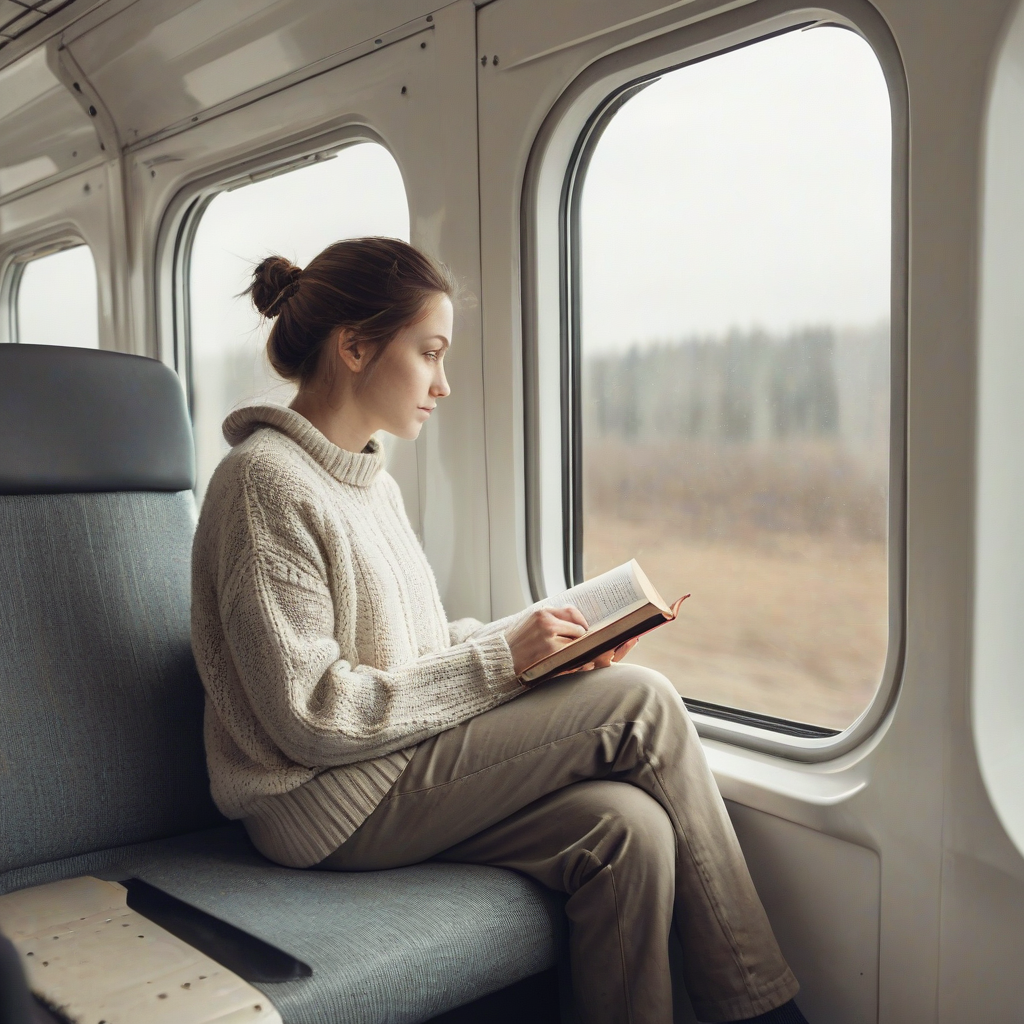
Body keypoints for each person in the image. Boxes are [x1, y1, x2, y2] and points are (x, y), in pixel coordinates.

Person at [190, 237, 807, 1024]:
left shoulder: (370, 484)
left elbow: (412, 653)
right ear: (354, 347)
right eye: (430, 353)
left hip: (386, 765)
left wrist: (546, 643)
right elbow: (311, 714)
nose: (443, 384)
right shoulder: (263, 484)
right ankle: (764, 1012)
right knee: (641, 704)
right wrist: (501, 664)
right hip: (321, 801)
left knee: (632, 832)